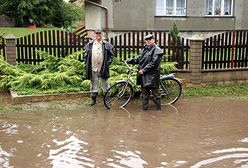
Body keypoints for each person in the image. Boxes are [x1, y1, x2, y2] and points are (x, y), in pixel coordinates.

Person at [126, 34, 163, 111]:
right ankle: (144, 109)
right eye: (146, 40)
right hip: (144, 74)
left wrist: (144, 70)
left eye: (149, 39)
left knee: (156, 93)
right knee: (144, 93)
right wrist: (131, 60)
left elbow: (154, 63)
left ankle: (158, 110)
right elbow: (140, 59)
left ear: (153, 40)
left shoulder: (157, 50)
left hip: (152, 75)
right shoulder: (146, 48)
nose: (148, 41)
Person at [84, 29, 114, 106]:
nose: (98, 35)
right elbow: (86, 55)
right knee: (93, 84)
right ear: (94, 35)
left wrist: (107, 63)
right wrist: (86, 62)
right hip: (93, 68)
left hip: (103, 68)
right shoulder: (90, 44)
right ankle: (93, 100)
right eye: (97, 34)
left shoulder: (106, 44)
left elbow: (111, 56)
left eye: (100, 34)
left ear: (102, 34)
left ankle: (107, 100)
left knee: (105, 84)